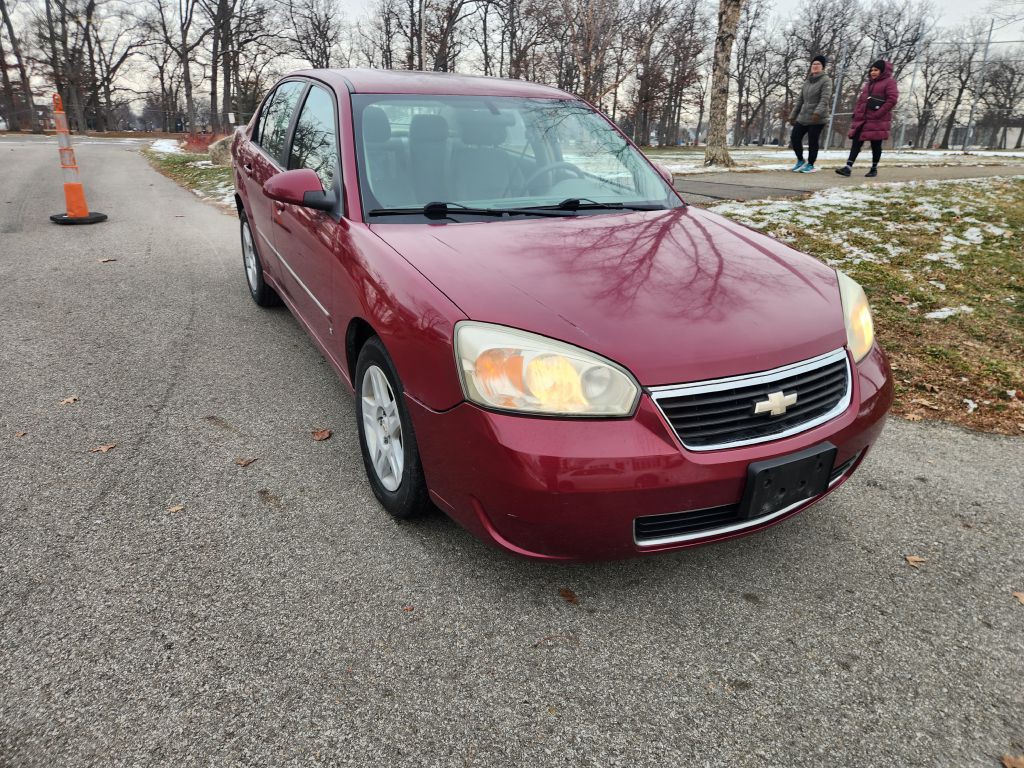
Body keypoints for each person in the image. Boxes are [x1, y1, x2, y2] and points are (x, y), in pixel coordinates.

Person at [836, 59, 899, 178]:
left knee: (876, 145)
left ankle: (874, 168)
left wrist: (878, 113)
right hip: (863, 119)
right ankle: (848, 167)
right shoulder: (868, 84)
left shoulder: (889, 82)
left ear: (883, 71)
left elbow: (892, 100)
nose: (873, 72)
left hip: (878, 120)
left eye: (876, 70)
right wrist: (856, 113)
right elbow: (861, 101)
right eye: (872, 70)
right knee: (856, 142)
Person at [789, 55, 832, 174]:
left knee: (813, 141)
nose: (815, 66)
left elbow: (825, 99)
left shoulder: (826, 80)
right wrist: (793, 115)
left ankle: (811, 164)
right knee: (795, 137)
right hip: (803, 116)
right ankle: (800, 160)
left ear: (823, 67)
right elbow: (800, 100)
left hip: (817, 118)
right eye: (813, 64)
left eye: (818, 64)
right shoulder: (807, 81)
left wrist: (817, 113)